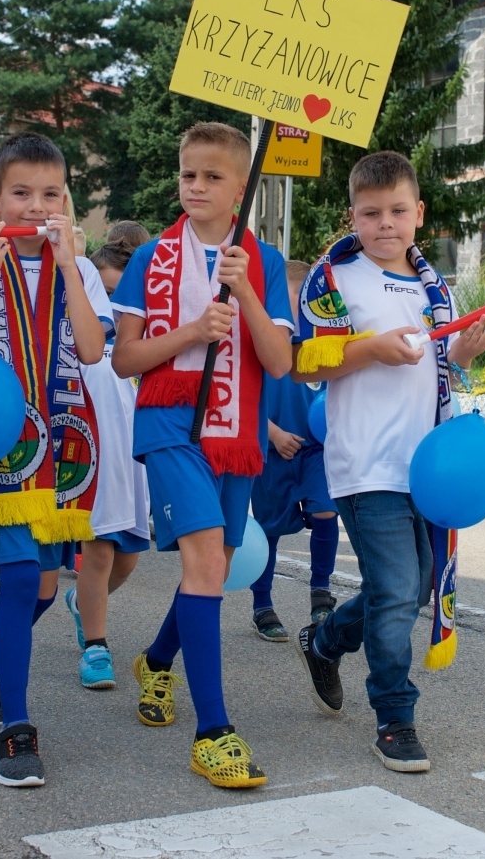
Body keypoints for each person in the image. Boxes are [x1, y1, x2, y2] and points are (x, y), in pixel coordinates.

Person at [290, 151, 485, 774]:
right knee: (395, 589)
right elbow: (308, 363)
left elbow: (442, 370)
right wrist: (368, 349)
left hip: (428, 468)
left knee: (406, 591)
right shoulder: (335, 278)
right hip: (364, 462)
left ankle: (325, 639)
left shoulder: (436, 287)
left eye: (397, 211)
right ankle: (394, 715)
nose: (385, 223)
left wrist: (462, 351)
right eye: (371, 212)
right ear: (351, 215)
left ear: (419, 213)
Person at [110, 121, 294, 790]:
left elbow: (280, 360)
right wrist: (192, 331)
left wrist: (243, 291)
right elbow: (124, 356)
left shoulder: (264, 260)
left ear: (242, 187)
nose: (196, 186)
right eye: (188, 173)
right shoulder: (151, 256)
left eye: (213, 176)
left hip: (237, 429)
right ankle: (213, 732)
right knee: (206, 555)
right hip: (167, 421)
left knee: (210, 563)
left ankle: (157, 661)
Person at [0, 134, 110, 788]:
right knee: (15, 579)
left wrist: (70, 269)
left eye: (48, 195)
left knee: (41, 586)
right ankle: (17, 727)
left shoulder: (80, 269)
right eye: (20, 193)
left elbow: (93, 352)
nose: (34, 207)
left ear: (65, 201)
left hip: (63, 447)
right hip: (3, 450)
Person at [62, 220, 152, 690]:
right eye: (104, 293)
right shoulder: (81, 338)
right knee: (96, 554)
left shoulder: (140, 343)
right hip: (91, 454)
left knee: (127, 560)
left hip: (131, 462)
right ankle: (95, 647)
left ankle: (82, 602)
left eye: (120, 296)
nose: (112, 308)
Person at [247, 259, 341, 642]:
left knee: (326, 508)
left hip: (314, 449)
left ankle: (321, 591)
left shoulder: (318, 346)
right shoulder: (260, 345)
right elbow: (245, 399)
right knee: (269, 531)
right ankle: (262, 604)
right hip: (271, 450)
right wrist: (271, 433)